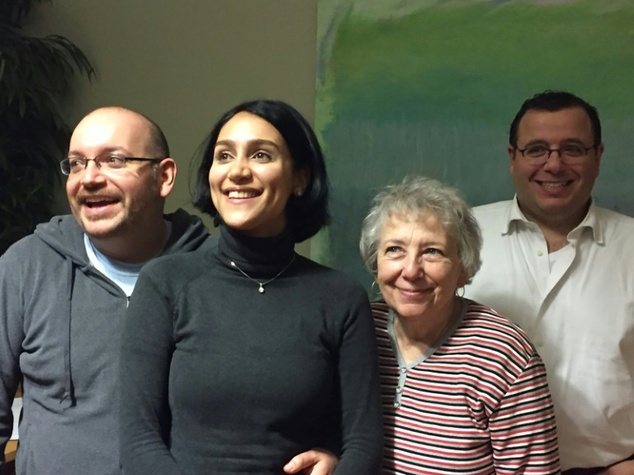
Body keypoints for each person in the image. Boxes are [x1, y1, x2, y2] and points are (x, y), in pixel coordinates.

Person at [119, 99, 384, 474]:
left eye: (261, 155)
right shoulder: (165, 283)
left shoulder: (341, 298)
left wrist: (332, 456)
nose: (237, 171)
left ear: (300, 178)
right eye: (224, 156)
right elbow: (138, 441)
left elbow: (363, 442)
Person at [0, 107, 213, 475]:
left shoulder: (213, 271)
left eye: (113, 160)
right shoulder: (27, 265)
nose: (89, 178)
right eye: (77, 163)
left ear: (163, 177)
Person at [464, 90, 634, 474]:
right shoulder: (457, 237)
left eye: (572, 149)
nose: (553, 165)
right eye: (536, 149)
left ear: (598, 157)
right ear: (513, 158)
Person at [359, 175, 560, 474]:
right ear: (376, 265)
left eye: (432, 251)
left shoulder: (504, 354)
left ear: (463, 269)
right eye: (394, 250)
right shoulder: (357, 330)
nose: (411, 270)